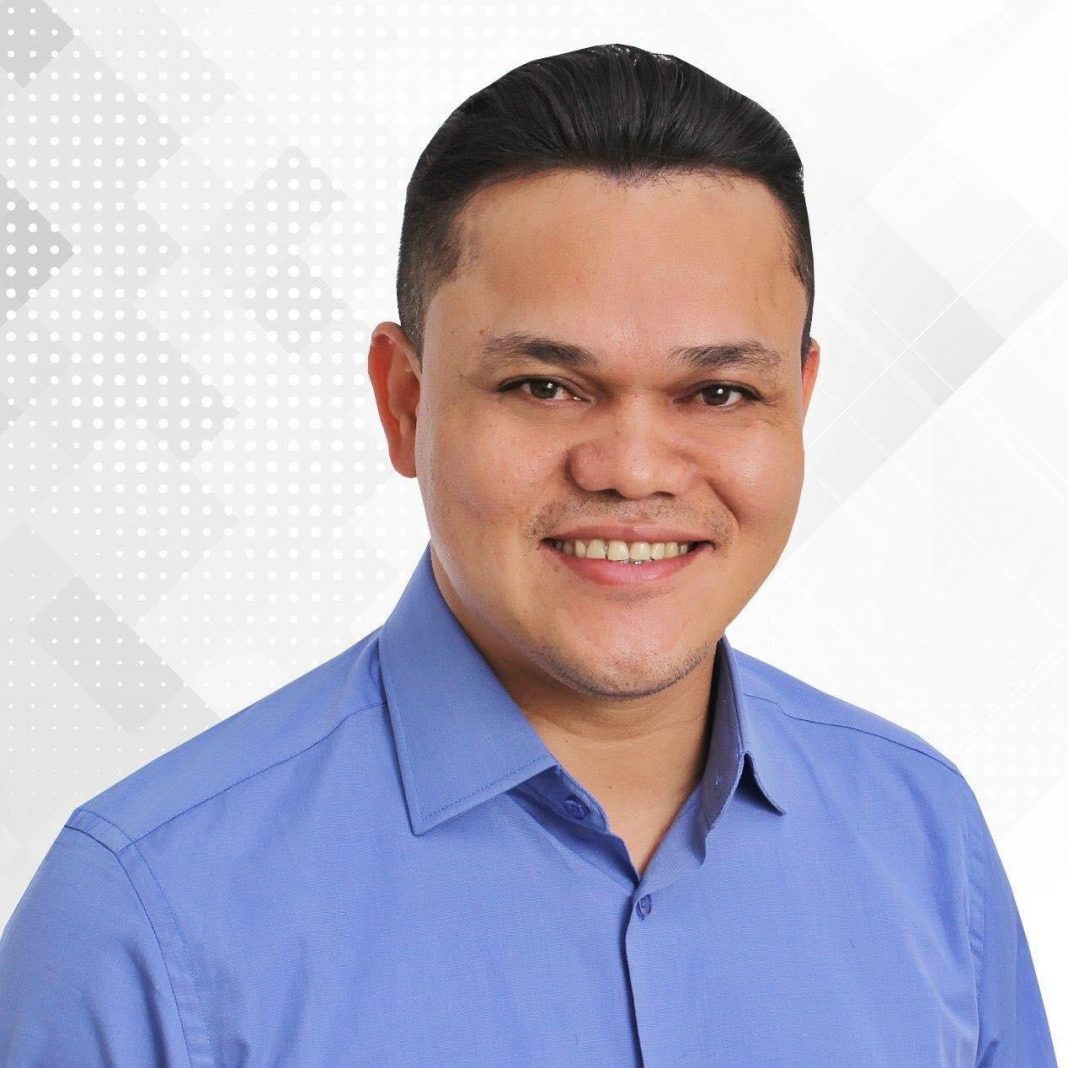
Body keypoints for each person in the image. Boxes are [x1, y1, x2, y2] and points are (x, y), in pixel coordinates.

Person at [0, 42, 1057, 1067]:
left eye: (719, 392)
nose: (632, 471)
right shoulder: (146, 918)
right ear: (404, 402)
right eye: (544, 387)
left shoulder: (927, 840)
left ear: (801, 403)